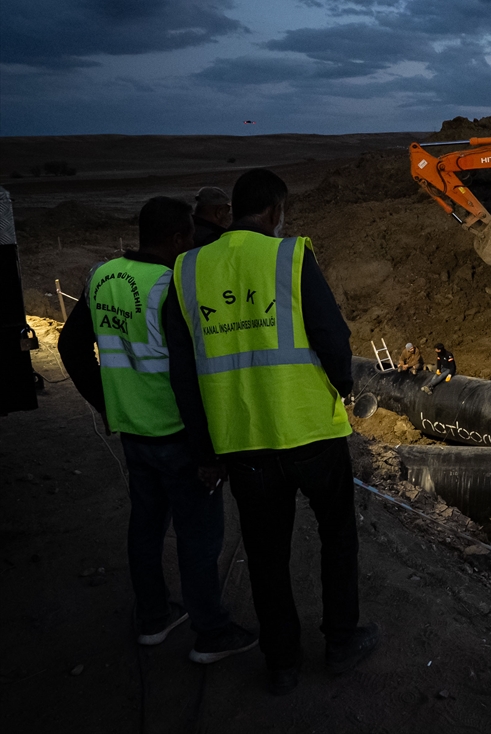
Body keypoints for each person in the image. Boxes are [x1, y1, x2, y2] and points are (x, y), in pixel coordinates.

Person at [163, 168, 378, 697]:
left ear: (234, 209)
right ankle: (340, 642)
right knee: (337, 539)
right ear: (276, 211)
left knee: (264, 555)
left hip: (242, 443)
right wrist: (345, 386)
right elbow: (332, 335)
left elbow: (183, 370)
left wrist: (204, 448)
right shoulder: (290, 256)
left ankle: (281, 662)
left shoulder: (187, 270)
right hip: (310, 434)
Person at [57, 196, 258, 663]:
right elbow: (186, 375)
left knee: (145, 527)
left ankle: (152, 617)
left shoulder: (102, 275)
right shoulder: (170, 286)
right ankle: (210, 631)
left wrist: (107, 404)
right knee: (200, 536)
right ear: (175, 238)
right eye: (189, 235)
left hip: (133, 434)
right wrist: (209, 453)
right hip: (177, 435)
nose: (192, 243)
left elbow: (70, 346)